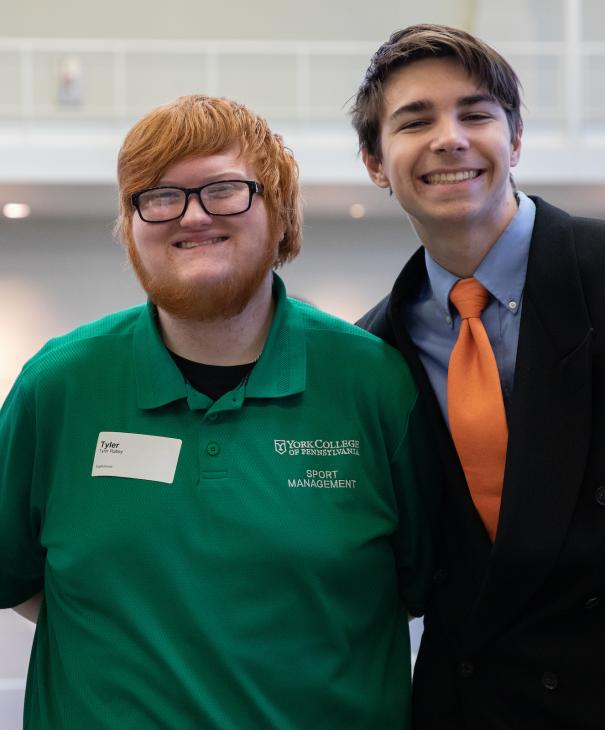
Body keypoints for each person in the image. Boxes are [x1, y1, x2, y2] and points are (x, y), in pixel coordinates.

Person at [0, 94, 440, 730]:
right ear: (132, 224)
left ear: (281, 214)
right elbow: (18, 578)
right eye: (159, 195)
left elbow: (418, 588)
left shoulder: (375, 385)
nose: (192, 216)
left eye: (225, 190)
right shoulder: (59, 387)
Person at [351, 23, 605, 730]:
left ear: (515, 139)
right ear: (376, 162)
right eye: (415, 120)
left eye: (475, 114)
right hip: (473, 709)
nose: (450, 138)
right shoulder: (374, 350)